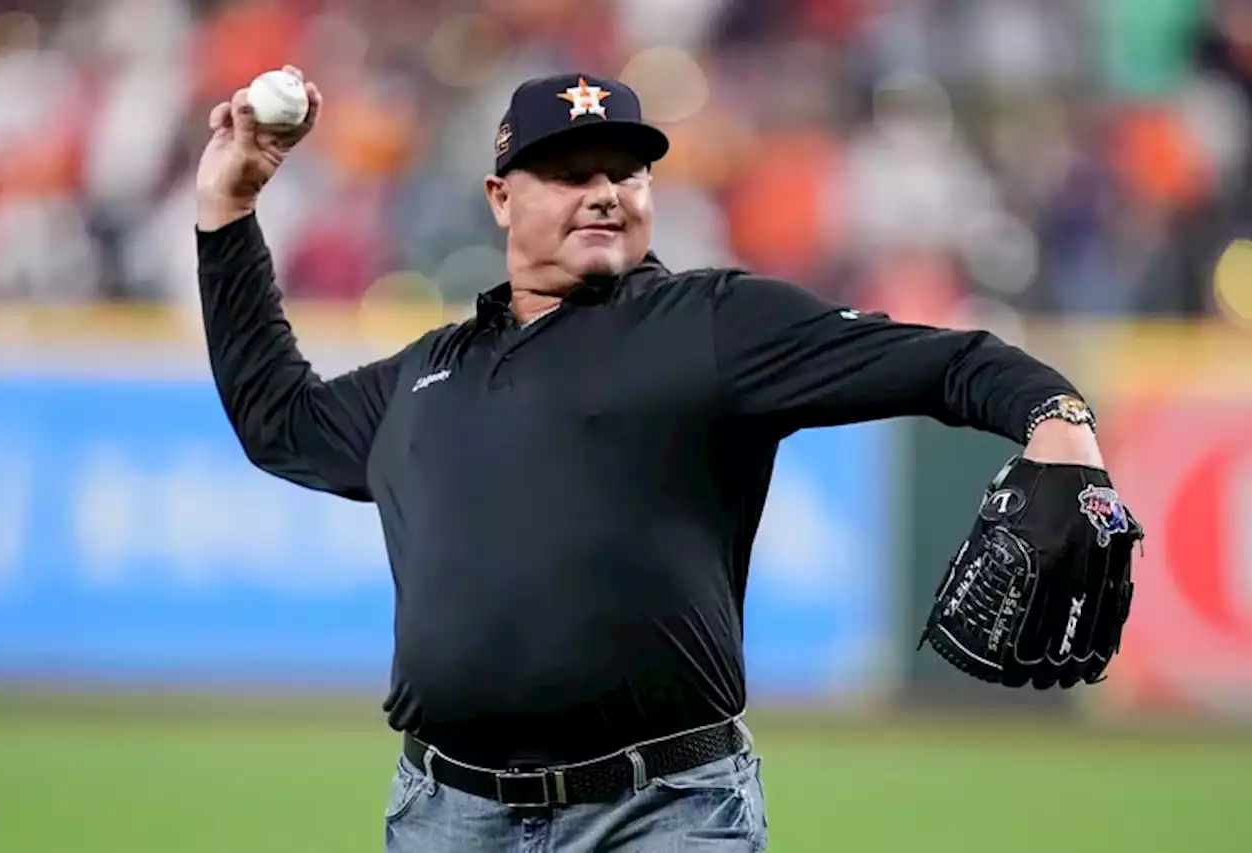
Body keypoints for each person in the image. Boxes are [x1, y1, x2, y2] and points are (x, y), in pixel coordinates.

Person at [195, 66, 1106, 852]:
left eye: (624, 171)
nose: (604, 192)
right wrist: (229, 209)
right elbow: (281, 421)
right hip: (446, 813)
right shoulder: (429, 373)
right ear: (500, 197)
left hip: (663, 810)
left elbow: (948, 361)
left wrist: (1058, 419)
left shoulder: (713, 325)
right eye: (566, 172)